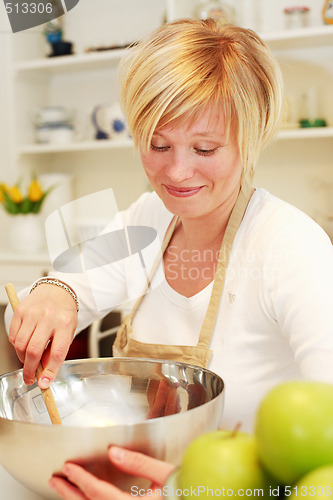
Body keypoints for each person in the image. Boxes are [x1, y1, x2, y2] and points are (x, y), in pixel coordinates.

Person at [5, 17, 333, 500]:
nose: (177, 172)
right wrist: (57, 291)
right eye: (158, 145)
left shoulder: (290, 246)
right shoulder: (147, 218)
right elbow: (39, 299)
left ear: (254, 136)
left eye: (205, 148)